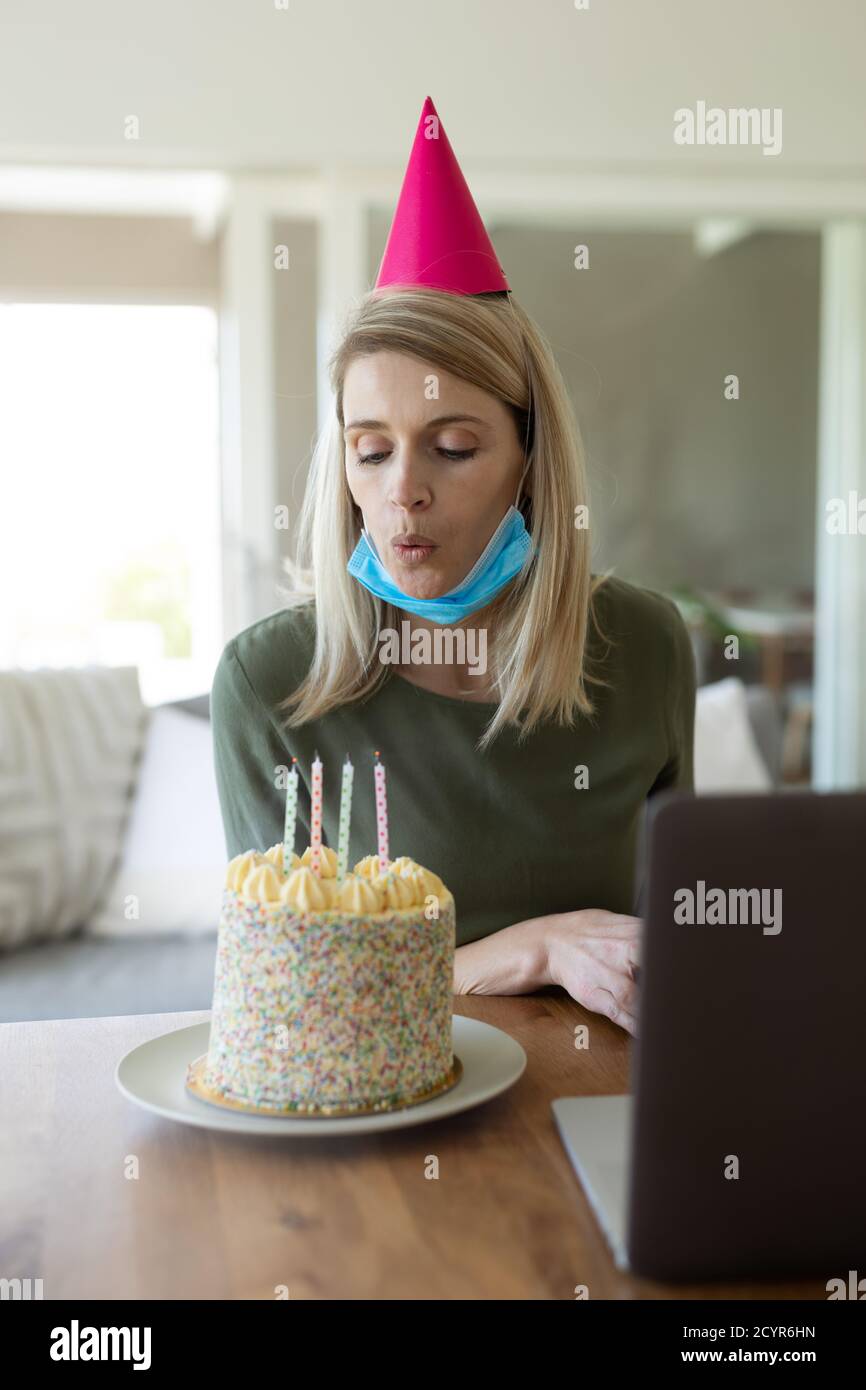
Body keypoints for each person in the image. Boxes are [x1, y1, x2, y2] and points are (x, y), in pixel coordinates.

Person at [211, 99, 696, 1037]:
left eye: (454, 448)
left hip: (597, 1108)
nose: (402, 496)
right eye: (372, 449)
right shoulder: (268, 685)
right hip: (376, 1138)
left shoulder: (644, 647)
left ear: (529, 460)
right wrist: (532, 947)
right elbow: (280, 1009)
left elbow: (669, 944)